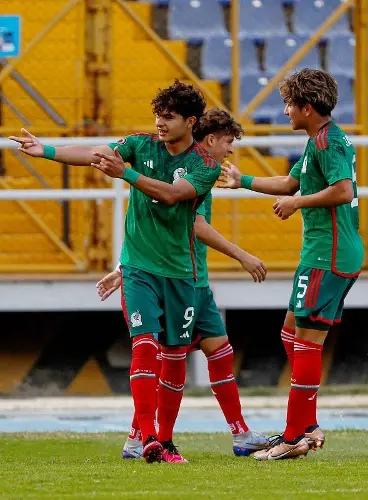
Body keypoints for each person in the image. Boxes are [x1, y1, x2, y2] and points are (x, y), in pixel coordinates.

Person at [9, 80, 220, 463]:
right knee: (144, 345)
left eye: (168, 117)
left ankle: (166, 441)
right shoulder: (140, 145)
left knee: (174, 357)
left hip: (181, 273)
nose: (159, 122)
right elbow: (96, 153)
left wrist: (127, 175)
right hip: (138, 267)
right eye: (157, 114)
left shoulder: (205, 165)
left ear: (191, 121)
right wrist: (47, 151)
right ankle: (150, 438)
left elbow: (172, 194)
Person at [95, 108, 271, 459]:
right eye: (228, 141)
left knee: (218, 352)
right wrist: (242, 255)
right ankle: (148, 438)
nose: (231, 150)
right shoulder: (194, 171)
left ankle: (239, 433)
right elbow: (194, 226)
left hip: (195, 280)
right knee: (170, 358)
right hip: (183, 281)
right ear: (209, 139)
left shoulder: (199, 172)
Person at [220, 68, 363, 460]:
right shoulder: (318, 140)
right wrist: (242, 180)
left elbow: (342, 190)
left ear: (308, 107)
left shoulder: (328, 142)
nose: (285, 111)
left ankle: (291, 437)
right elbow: (288, 184)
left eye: (289, 104)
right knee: (291, 333)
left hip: (328, 255)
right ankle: (308, 424)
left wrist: (298, 203)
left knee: (306, 343)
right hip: (324, 254)